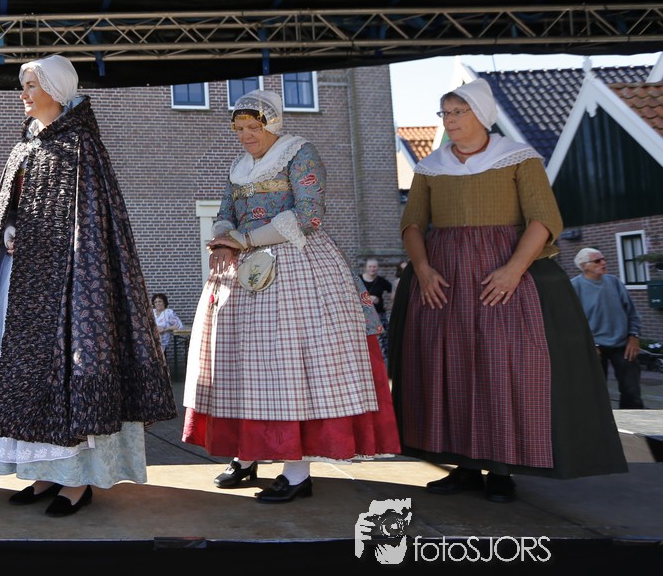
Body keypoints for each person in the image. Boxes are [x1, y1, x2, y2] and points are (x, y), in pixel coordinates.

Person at [0, 54, 176, 517]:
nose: (24, 94)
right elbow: (11, 209)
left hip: (67, 286)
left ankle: (75, 481)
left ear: (56, 90)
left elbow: (90, 224)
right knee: (13, 371)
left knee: (66, 368)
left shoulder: (80, 146)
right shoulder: (24, 146)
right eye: (24, 85)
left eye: (32, 85)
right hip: (19, 282)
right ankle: (42, 473)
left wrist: (58, 257)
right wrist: (10, 229)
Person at [390, 79, 627, 503]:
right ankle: (463, 467)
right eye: (444, 113)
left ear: (481, 114)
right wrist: (423, 269)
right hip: (444, 285)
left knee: (503, 371)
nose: (449, 120)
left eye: (458, 112)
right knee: (449, 371)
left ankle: (501, 470)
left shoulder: (518, 158)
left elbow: (543, 219)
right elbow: (412, 224)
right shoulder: (430, 167)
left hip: (502, 280)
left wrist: (514, 270)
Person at [182, 89, 399, 503]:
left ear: (273, 124)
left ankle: (297, 471)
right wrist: (223, 240)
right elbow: (225, 211)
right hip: (242, 271)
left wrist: (243, 240)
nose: (246, 135)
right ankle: (247, 454)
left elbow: (309, 214)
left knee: (291, 364)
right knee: (239, 363)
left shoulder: (299, 152)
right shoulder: (239, 166)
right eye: (239, 128)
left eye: (253, 127)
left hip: (296, 262)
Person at [571, 247, 645, 410]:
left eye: (604, 259)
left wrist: (634, 336)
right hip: (593, 348)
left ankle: (634, 423)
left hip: (622, 345)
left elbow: (632, 313)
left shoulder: (614, 282)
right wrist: (589, 345)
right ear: (584, 266)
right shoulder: (574, 287)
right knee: (595, 394)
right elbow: (570, 322)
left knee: (632, 392)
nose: (603, 263)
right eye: (597, 261)